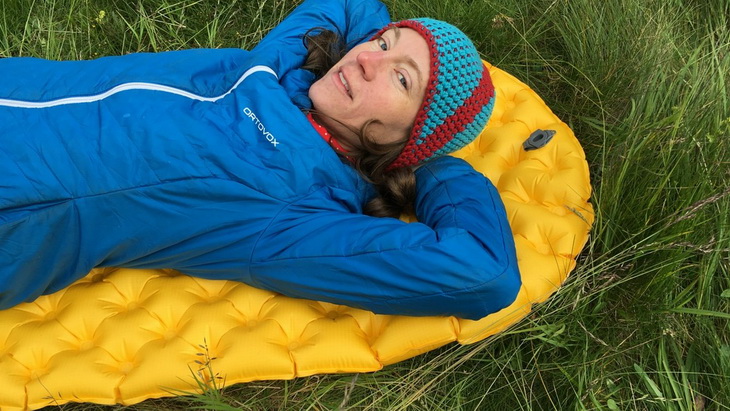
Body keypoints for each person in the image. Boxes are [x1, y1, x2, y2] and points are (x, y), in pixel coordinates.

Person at [0, 0, 520, 320]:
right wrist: (392, 50)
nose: (366, 59)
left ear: (410, 139)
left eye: (400, 78)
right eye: (382, 44)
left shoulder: (296, 214)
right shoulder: (277, 66)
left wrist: (431, 169)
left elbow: (481, 270)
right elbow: (350, 4)